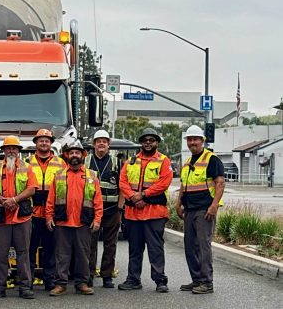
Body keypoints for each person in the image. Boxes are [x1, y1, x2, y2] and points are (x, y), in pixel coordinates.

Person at [0, 135, 38, 299]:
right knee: (0, 254)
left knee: (23, 253)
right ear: (4, 151)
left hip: (22, 218)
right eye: (8, 148)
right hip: (1, 218)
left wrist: (14, 200)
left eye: (14, 148)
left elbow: (32, 189)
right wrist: (3, 201)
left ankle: (25, 287)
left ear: (19, 151)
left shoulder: (27, 168)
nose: (11, 150)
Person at [118, 128, 173, 293]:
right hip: (133, 214)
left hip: (154, 213)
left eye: (151, 140)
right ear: (141, 142)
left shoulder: (164, 161)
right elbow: (123, 181)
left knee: (155, 249)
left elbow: (164, 182)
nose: (148, 142)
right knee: (134, 249)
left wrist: (143, 195)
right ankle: (133, 279)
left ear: (157, 142)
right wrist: (134, 197)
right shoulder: (130, 161)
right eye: (145, 140)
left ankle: (160, 281)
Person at [46, 140, 103, 296]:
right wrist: (48, 217)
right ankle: (61, 284)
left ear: (82, 155)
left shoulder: (91, 176)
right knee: (61, 255)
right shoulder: (59, 175)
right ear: (67, 156)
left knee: (83, 255)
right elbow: (51, 199)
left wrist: (97, 219)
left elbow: (97, 200)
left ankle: (82, 283)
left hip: (83, 223)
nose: (74, 155)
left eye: (77, 152)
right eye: (71, 153)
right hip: (62, 222)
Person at [175, 125, 225, 294]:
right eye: (189, 139)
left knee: (204, 247)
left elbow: (220, 183)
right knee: (190, 246)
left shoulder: (212, 159)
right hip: (190, 209)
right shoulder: (188, 161)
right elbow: (184, 184)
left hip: (205, 210)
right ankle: (197, 280)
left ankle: (207, 282)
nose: (192, 142)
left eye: (195, 139)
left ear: (202, 141)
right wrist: (178, 203)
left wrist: (214, 206)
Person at [27, 129, 66, 291]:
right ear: (36, 143)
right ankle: (27, 280)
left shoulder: (61, 163)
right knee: (30, 248)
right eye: (41, 140)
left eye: (47, 140)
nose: (44, 143)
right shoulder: (27, 162)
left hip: (52, 213)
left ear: (51, 143)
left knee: (51, 249)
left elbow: (64, 188)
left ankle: (50, 280)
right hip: (32, 213)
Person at [85, 129, 123, 288]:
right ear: (94, 144)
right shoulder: (85, 161)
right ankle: (89, 274)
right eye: (98, 141)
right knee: (89, 243)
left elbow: (123, 185)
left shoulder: (117, 162)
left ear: (109, 145)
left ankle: (107, 275)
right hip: (90, 210)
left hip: (111, 209)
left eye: (104, 141)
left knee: (110, 243)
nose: (101, 144)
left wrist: (120, 207)